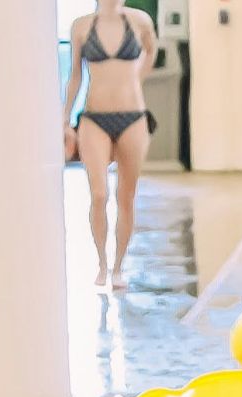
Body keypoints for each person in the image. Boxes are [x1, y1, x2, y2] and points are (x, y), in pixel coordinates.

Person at [62, 0, 158, 291]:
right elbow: (76, 76)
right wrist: (64, 120)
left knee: (126, 196)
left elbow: (151, 51)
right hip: (94, 117)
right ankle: (101, 263)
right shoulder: (81, 26)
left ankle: (118, 267)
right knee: (99, 194)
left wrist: (136, 78)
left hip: (133, 117)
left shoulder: (140, 21)